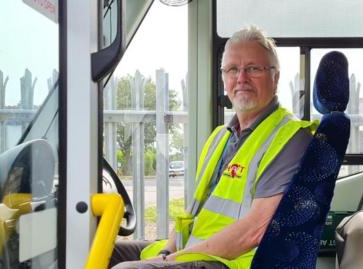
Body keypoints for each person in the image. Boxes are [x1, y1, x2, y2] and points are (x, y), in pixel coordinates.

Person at [110, 25, 314, 269]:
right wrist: (166, 251)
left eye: (253, 68)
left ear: (276, 77)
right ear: (224, 77)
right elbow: (192, 212)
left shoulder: (290, 137)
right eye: (232, 69)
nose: (241, 78)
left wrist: (169, 261)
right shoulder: (219, 137)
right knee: (97, 248)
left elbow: (255, 230)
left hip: (235, 260)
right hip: (196, 249)